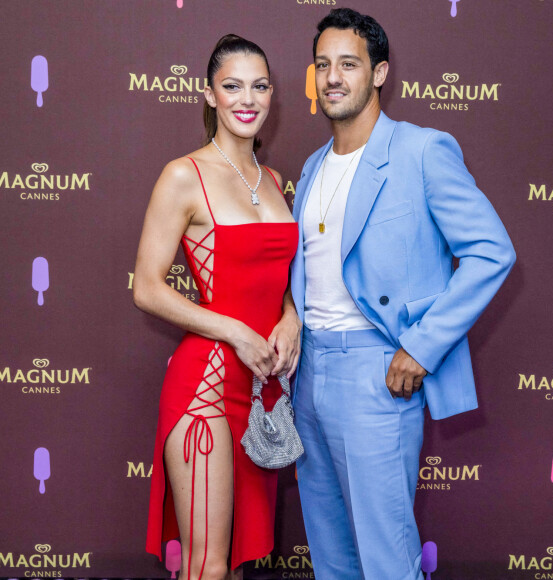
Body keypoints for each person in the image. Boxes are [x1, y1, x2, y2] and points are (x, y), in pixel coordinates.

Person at [289, 8, 516, 579]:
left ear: (380, 72)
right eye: (323, 65)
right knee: (332, 558)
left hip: (376, 374)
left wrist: (422, 345)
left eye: (349, 63)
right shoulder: (312, 167)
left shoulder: (421, 150)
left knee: (387, 561)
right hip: (308, 375)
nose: (333, 77)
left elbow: (493, 251)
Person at [133, 35, 301, 580]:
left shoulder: (274, 182)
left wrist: (291, 317)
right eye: (232, 86)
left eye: (259, 86)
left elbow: (275, 281)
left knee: (234, 568)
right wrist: (234, 330)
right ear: (209, 95)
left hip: (260, 390)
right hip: (204, 382)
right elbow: (149, 288)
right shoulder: (184, 174)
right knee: (206, 566)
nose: (246, 98)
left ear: (273, 94)